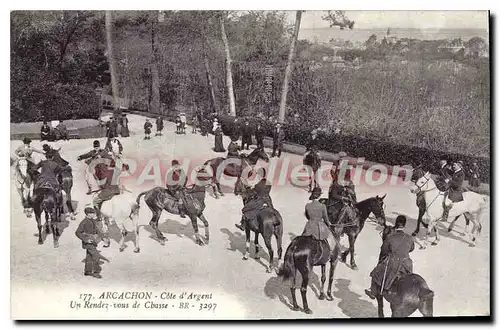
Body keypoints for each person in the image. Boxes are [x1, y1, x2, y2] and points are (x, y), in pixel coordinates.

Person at [365, 215, 415, 299]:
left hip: (393, 263)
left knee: (375, 273)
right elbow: (412, 249)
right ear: (404, 225)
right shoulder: (409, 238)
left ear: (396, 224)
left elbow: (384, 250)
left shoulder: (390, 237)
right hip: (407, 264)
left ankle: (373, 292)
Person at [75, 206, 108, 279]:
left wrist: (103, 238)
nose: (94, 214)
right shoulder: (84, 222)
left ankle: (88, 271)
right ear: (88, 214)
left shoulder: (93, 220)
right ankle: (96, 272)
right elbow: (77, 232)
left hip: (93, 241)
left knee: (89, 257)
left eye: (94, 213)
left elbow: (97, 230)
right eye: (92, 213)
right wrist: (86, 240)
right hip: (88, 242)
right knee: (96, 256)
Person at [301, 187, 337, 254]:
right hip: (320, 226)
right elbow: (326, 218)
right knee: (331, 239)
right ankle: (330, 253)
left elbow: (307, 216)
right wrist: (329, 224)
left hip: (309, 225)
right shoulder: (322, 206)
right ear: (319, 195)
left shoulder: (307, 206)